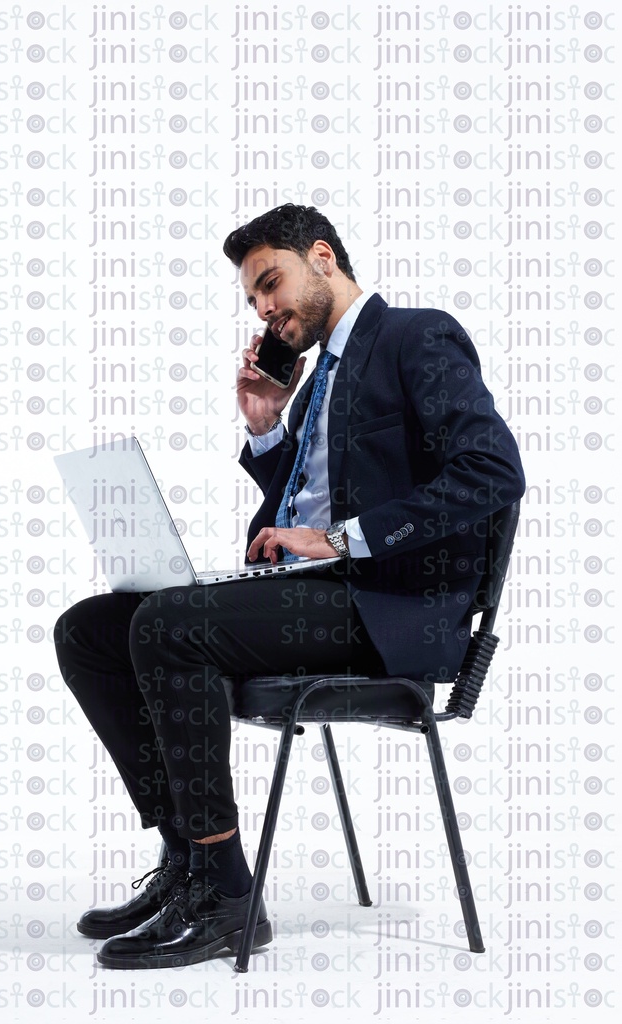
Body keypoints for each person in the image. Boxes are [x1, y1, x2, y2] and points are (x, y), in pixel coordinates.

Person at [54, 204, 525, 970]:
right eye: (252, 299)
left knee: (169, 627)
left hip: (390, 609)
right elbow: (303, 507)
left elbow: (493, 472)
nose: (265, 308)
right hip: (316, 594)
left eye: (270, 283)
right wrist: (268, 425)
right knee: (89, 629)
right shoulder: (312, 388)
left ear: (322, 257)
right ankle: (187, 857)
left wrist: (340, 540)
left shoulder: (414, 336)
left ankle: (227, 896)